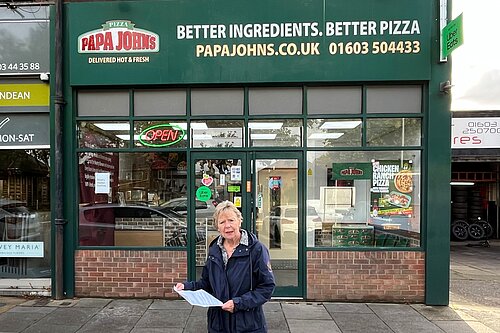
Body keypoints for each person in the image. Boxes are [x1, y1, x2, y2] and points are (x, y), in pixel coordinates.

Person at [175, 200, 275, 333]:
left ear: (239, 221)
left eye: (231, 220)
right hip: (219, 324)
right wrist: (187, 287)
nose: (227, 226)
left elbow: (267, 287)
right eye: (222, 222)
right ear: (217, 227)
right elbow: (206, 283)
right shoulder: (214, 249)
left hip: (247, 324)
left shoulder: (256, 249)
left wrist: (238, 303)